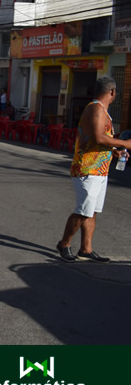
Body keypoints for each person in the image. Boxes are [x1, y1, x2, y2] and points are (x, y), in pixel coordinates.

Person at [56, 76, 131, 263]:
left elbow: (96, 140)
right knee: (83, 211)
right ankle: (64, 244)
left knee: (92, 211)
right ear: (112, 92)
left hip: (100, 170)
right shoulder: (96, 108)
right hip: (87, 169)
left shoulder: (102, 110)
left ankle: (86, 249)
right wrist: (125, 143)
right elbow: (99, 137)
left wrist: (114, 152)